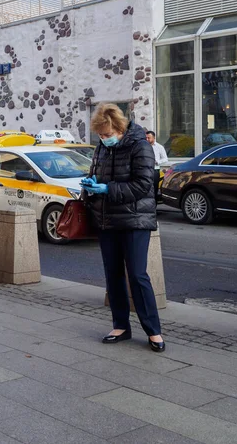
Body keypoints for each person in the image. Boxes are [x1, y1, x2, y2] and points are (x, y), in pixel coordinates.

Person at [81, 103, 165, 353]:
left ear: (119, 128)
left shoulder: (140, 146)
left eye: (107, 135)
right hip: (107, 218)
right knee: (113, 273)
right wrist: (93, 182)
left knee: (138, 275)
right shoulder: (102, 148)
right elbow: (97, 172)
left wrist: (108, 189)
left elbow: (143, 186)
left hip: (135, 218)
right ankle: (120, 326)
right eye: (100, 136)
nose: (103, 139)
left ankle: (153, 331)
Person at [146, 131, 168, 201]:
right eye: (146, 138)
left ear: (154, 138)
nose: (147, 139)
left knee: (154, 188)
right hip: (145, 170)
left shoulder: (159, 147)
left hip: (155, 170)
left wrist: (157, 162)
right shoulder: (144, 146)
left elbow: (165, 159)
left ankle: (154, 206)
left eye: (149, 138)